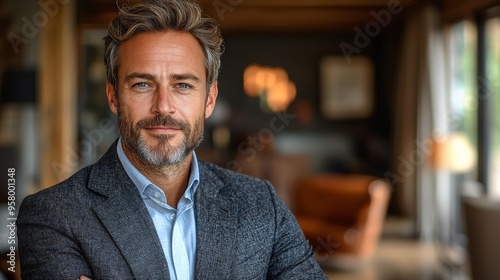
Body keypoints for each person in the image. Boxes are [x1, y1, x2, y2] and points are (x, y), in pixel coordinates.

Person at [17, 0, 328, 279]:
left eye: (183, 85)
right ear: (113, 96)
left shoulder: (261, 204)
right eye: (142, 84)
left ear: (209, 100)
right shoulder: (53, 216)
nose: (163, 106)